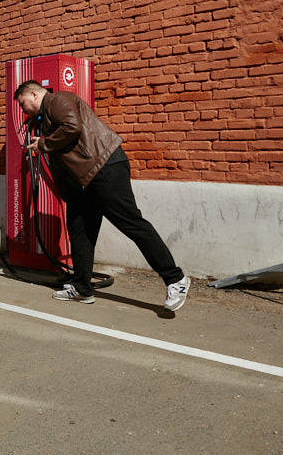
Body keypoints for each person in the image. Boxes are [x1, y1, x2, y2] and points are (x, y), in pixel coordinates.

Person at [13, 80, 190, 310]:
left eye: (23, 103)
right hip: (84, 180)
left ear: (35, 94)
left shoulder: (57, 100)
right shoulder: (47, 116)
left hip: (104, 167)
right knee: (79, 230)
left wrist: (44, 144)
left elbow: (72, 127)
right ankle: (82, 287)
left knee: (131, 223)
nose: (23, 109)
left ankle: (176, 279)